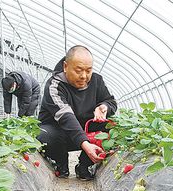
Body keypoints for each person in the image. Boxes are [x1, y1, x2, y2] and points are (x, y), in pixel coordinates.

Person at [37, 45, 117, 180]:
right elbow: (66, 117)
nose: (84, 76)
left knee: (112, 129)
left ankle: (84, 166)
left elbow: (111, 101)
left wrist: (104, 107)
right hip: (61, 133)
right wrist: (85, 144)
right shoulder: (55, 85)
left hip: (85, 131)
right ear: (65, 66)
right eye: (78, 70)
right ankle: (60, 164)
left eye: (88, 70)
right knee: (45, 135)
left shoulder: (97, 81)